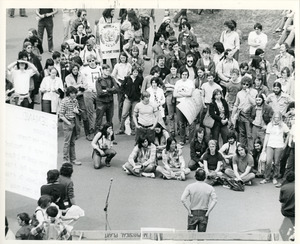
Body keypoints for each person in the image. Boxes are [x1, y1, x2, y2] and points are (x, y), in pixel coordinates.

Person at [260, 112, 289, 185]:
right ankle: (267, 177)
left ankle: (275, 177)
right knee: (268, 162)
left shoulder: (283, 125)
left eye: (278, 118)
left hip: (279, 145)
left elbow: (288, 133)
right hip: (270, 145)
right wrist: (264, 147)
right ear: (273, 117)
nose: (276, 119)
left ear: (280, 118)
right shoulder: (270, 124)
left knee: (276, 162)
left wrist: (285, 143)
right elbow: (267, 136)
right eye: (275, 117)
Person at [231, 76, 257, 151]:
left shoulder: (254, 92)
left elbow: (254, 103)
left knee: (249, 134)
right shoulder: (239, 93)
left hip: (249, 115)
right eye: (243, 84)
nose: (245, 86)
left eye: (247, 84)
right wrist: (233, 116)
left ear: (250, 85)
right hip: (240, 114)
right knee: (241, 134)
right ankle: (242, 149)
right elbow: (236, 104)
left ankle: (250, 151)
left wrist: (248, 94)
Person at [116, 65, 143, 136]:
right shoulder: (127, 78)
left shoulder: (140, 79)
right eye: (134, 72)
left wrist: (140, 95)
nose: (135, 74)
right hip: (128, 98)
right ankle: (121, 128)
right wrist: (125, 94)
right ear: (132, 72)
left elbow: (141, 87)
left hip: (136, 99)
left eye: (137, 72)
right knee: (124, 114)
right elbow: (122, 87)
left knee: (133, 114)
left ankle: (133, 129)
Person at [65, 62, 89, 139]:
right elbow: (70, 89)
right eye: (74, 69)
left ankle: (87, 133)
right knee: (74, 116)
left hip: (81, 97)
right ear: (71, 70)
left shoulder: (81, 75)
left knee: (84, 115)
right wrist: (79, 85)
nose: (75, 71)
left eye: (76, 69)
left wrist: (80, 87)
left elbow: (85, 85)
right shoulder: (68, 77)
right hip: (73, 98)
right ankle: (76, 134)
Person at [81, 54, 102, 140]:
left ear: (95, 60)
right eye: (89, 61)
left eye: (93, 60)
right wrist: (85, 88)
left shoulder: (100, 68)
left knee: (99, 111)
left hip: (98, 93)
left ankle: (98, 130)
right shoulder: (84, 70)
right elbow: (81, 80)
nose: (91, 63)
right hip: (88, 92)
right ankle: (91, 130)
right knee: (90, 112)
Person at [59, 86, 82, 166]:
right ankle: (65, 160)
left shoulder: (75, 101)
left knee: (72, 142)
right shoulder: (64, 101)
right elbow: (61, 115)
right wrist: (68, 123)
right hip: (67, 122)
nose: (74, 95)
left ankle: (73, 159)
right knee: (67, 143)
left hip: (74, 121)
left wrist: (77, 111)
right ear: (69, 93)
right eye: (72, 93)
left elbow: (78, 111)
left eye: (75, 93)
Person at [173, 68, 196, 145]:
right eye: (183, 74)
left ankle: (191, 140)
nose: (184, 76)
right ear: (180, 75)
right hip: (179, 103)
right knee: (181, 122)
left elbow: (190, 94)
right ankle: (182, 139)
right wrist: (184, 94)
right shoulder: (178, 83)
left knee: (190, 123)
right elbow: (174, 94)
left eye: (186, 74)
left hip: (188, 103)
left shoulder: (190, 82)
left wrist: (180, 93)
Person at [95, 64, 118, 131]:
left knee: (110, 121)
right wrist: (111, 90)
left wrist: (107, 90)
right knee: (99, 120)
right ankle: (97, 136)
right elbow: (100, 93)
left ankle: (111, 137)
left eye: (109, 70)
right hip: (101, 102)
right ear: (102, 70)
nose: (108, 72)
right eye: (106, 70)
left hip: (110, 102)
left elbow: (117, 89)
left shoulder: (111, 79)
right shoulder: (99, 80)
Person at [111, 52, 132, 122]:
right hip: (120, 83)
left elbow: (130, 74)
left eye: (124, 57)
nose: (123, 59)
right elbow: (113, 75)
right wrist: (118, 82)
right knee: (120, 102)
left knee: (128, 101)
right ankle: (121, 120)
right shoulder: (117, 65)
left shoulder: (129, 65)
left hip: (127, 83)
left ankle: (127, 120)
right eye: (121, 58)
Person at [164, 62, 180, 135]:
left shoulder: (179, 76)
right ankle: (172, 130)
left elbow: (180, 88)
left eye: (174, 69)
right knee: (171, 115)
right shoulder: (167, 77)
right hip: (169, 96)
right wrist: (174, 87)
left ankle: (180, 129)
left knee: (179, 114)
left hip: (178, 97)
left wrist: (171, 86)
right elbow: (166, 88)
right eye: (172, 69)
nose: (173, 70)